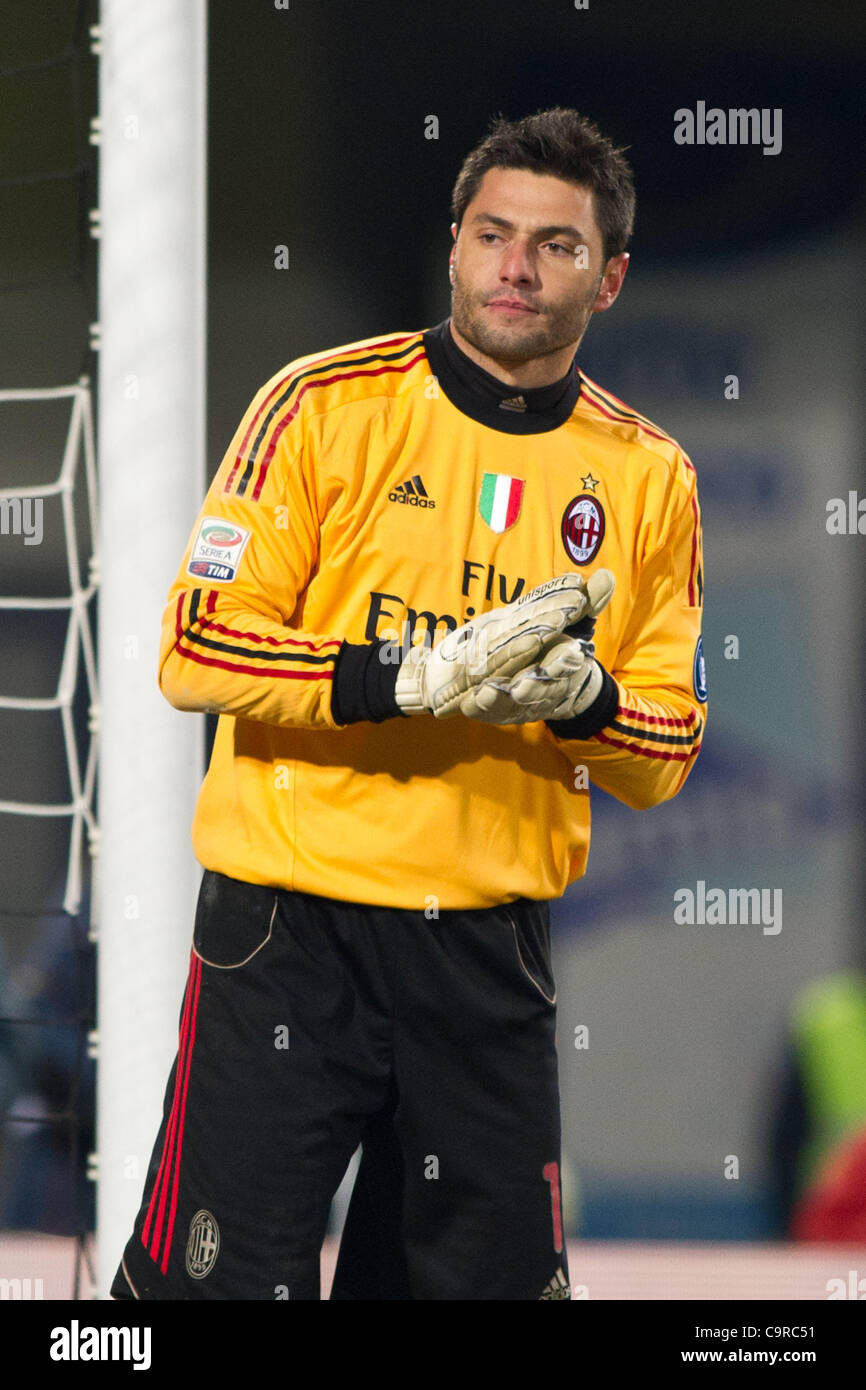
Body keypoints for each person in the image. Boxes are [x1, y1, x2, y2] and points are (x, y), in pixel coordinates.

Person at [112, 107, 706, 1301]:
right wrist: (400, 679)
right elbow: (191, 646)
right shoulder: (322, 406)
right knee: (212, 1293)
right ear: (451, 248)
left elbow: (666, 745)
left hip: (486, 956)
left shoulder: (649, 477)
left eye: (555, 245)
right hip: (289, 936)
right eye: (491, 234)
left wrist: (585, 700)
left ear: (612, 277)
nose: (516, 266)